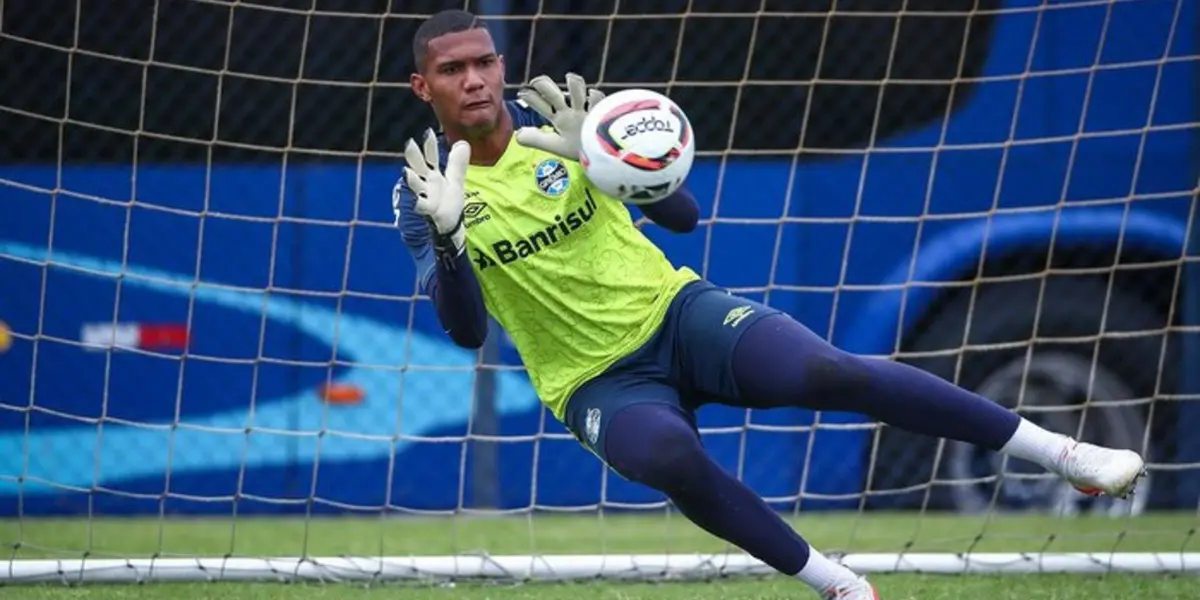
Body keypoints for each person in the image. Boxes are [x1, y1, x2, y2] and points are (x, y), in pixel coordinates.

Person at [392, 9, 1146, 600]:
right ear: (425, 88)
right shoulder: (424, 193)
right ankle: (836, 582)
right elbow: (465, 330)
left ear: (502, 65)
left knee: (829, 372)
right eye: (452, 70)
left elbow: (684, 218)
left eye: (485, 61)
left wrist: (609, 160)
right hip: (594, 380)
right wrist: (452, 237)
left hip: (681, 316)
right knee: (667, 456)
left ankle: (1067, 455)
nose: (476, 80)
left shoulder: (561, 139)